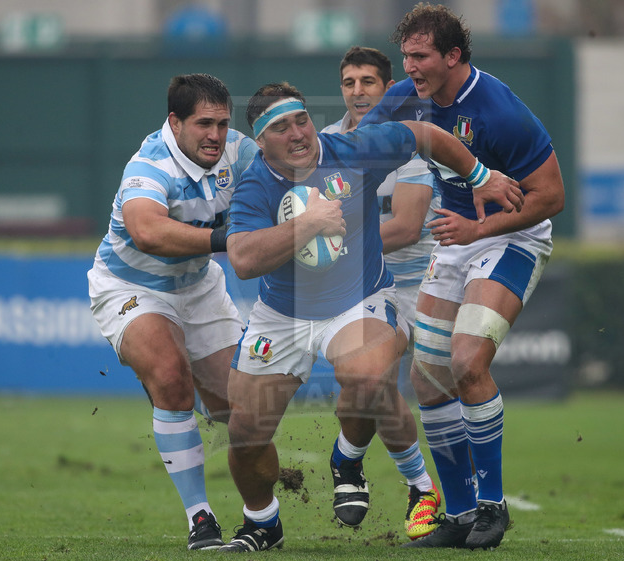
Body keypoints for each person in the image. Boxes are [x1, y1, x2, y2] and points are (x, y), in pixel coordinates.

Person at [218, 82, 524, 552]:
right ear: (261, 141)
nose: (297, 133)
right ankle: (262, 522)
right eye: (280, 128)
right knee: (244, 433)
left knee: (366, 375)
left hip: (357, 300)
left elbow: (423, 134)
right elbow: (241, 260)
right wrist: (309, 223)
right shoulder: (255, 184)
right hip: (281, 315)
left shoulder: (353, 149)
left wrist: (479, 175)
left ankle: (348, 460)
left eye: (301, 120)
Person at [359, 3, 566, 550]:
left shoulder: (498, 109)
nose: (411, 66)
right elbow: (361, 154)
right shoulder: (405, 96)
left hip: (512, 237)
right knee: (428, 377)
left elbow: (552, 197)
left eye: (421, 56)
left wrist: (481, 228)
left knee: (467, 362)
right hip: (455, 238)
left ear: (453, 56)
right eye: (406, 56)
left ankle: (492, 506)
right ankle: (458, 514)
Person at [86, 73, 258, 550]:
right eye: (204, 124)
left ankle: (262, 520)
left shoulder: (239, 151)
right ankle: (200, 517)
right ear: (175, 122)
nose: (215, 135)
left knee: (242, 411)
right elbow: (148, 232)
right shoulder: (148, 165)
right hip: (130, 286)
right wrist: (228, 239)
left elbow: (289, 178)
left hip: (199, 287)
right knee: (169, 374)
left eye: (222, 123)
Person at [321, 45, 444, 540]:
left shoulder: (408, 140)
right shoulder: (329, 143)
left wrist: (331, 243)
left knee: (440, 387)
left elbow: (408, 226)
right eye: (349, 82)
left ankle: (347, 459)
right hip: (360, 285)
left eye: (368, 82)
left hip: (420, 286)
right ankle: (419, 488)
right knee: (368, 379)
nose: (358, 91)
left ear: (389, 88)